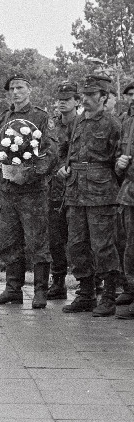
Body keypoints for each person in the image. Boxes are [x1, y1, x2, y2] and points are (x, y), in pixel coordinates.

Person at [0, 74, 55, 309]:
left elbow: (50, 152)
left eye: (20, 87)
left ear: (29, 90)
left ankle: (40, 291)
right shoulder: (3, 118)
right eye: (12, 89)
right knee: (10, 240)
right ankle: (13, 289)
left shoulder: (41, 118)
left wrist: (32, 174)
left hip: (32, 191)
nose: (15, 92)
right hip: (8, 189)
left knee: (38, 242)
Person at [58, 74, 123, 316]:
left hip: (101, 193)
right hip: (75, 191)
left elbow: (119, 161)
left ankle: (108, 295)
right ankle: (85, 293)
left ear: (104, 97)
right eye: (83, 95)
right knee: (76, 245)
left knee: (103, 245)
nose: (85, 99)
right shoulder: (77, 122)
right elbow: (65, 149)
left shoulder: (112, 124)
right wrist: (63, 167)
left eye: (91, 94)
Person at [46, 81, 80, 300]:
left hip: (79, 190)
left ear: (77, 101)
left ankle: (90, 284)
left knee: (79, 240)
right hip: (55, 190)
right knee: (55, 239)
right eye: (59, 99)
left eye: (67, 99)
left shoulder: (82, 124)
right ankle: (57, 283)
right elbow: (47, 153)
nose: (62, 103)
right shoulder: (51, 126)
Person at [115, 85, 134, 319]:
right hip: (130, 191)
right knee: (129, 244)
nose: (132, 99)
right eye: (129, 95)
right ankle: (131, 288)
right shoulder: (127, 123)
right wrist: (119, 165)